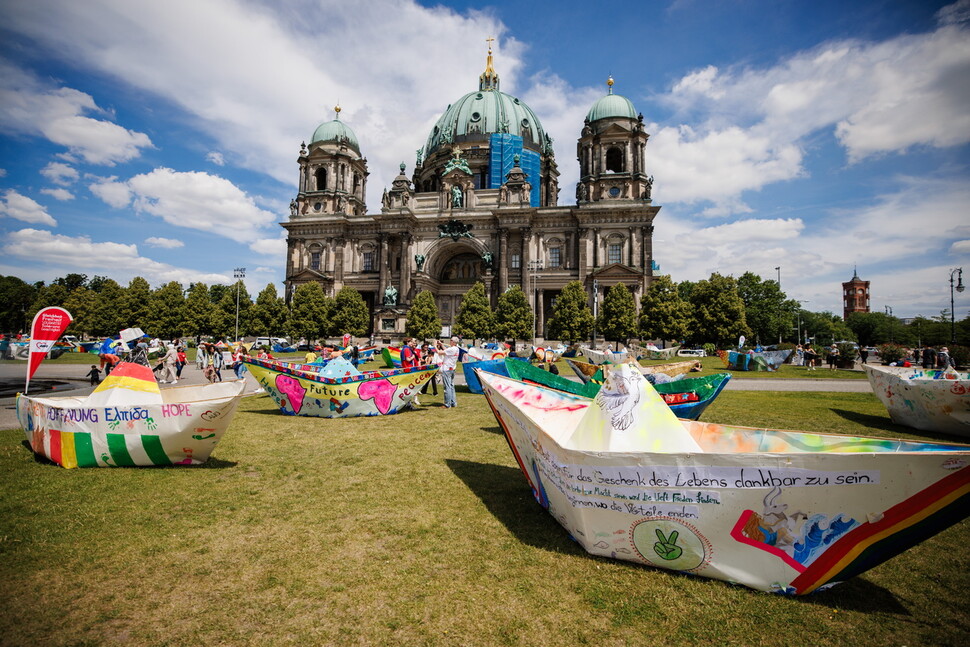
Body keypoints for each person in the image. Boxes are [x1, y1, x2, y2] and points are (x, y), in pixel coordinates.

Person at [436, 336, 461, 408]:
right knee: (451, 386)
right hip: (452, 369)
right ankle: (453, 403)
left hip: (447, 369)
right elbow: (446, 350)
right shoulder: (456, 348)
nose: (450, 341)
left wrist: (435, 346)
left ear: (453, 342)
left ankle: (447, 404)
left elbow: (439, 352)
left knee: (447, 387)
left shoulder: (452, 349)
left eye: (451, 340)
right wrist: (441, 344)